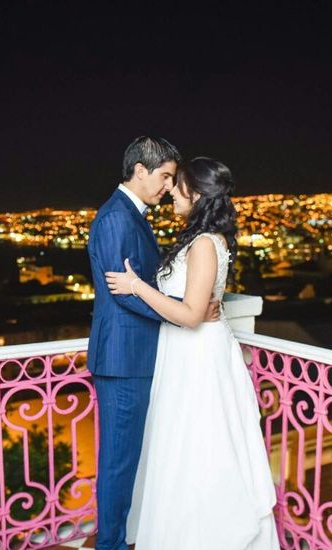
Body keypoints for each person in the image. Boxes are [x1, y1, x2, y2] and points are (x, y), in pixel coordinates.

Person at [105, 157, 280, 550]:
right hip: (188, 353)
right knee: (184, 449)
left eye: (177, 185)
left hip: (196, 356)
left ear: (196, 194)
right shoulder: (201, 238)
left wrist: (137, 286)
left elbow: (190, 314)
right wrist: (194, 306)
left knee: (198, 450)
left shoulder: (203, 243)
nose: (170, 191)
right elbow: (195, 307)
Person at [86, 137, 221, 550]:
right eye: (164, 176)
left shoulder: (133, 215)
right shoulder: (115, 219)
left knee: (134, 460)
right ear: (139, 170)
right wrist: (186, 312)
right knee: (119, 463)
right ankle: (110, 545)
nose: (168, 185)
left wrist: (188, 307)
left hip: (140, 358)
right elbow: (123, 293)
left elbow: (141, 285)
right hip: (124, 361)